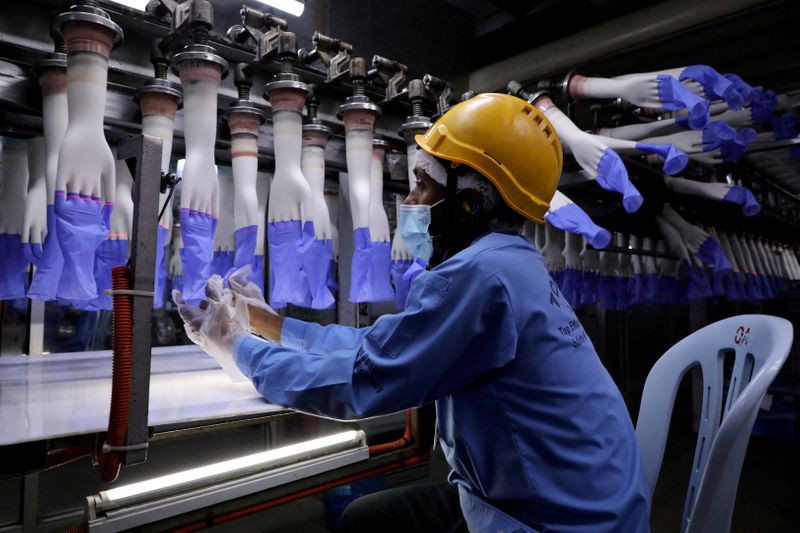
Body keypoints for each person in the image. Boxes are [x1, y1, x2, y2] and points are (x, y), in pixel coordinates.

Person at [174, 93, 651, 532]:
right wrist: (267, 323)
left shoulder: (478, 277)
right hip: (580, 506)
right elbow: (382, 347)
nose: (408, 202)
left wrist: (239, 350)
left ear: (468, 203)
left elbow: (362, 383)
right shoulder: (511, 264)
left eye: (422, 185)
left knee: (368, 523)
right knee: (369, 517)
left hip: (550, 522)